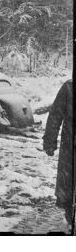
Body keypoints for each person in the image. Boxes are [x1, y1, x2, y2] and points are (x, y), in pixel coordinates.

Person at [42, 79, 74, 228]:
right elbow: (55, 115)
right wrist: (49, 141)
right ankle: (70, 217)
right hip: (70, 147)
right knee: (68, 186)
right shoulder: (69, 87)